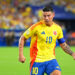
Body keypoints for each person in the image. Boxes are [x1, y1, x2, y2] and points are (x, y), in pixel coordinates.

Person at [19, 5, 75, 75]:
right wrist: (21, 55)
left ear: (53, 15)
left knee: (57, 74)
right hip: (37, 61)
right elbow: (22, 38)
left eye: (48, 15)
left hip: (51, 60)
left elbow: (63, 45)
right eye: (44, 16)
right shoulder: (36, 27)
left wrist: (72, 53)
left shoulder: (58, 29)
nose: (46, 18)